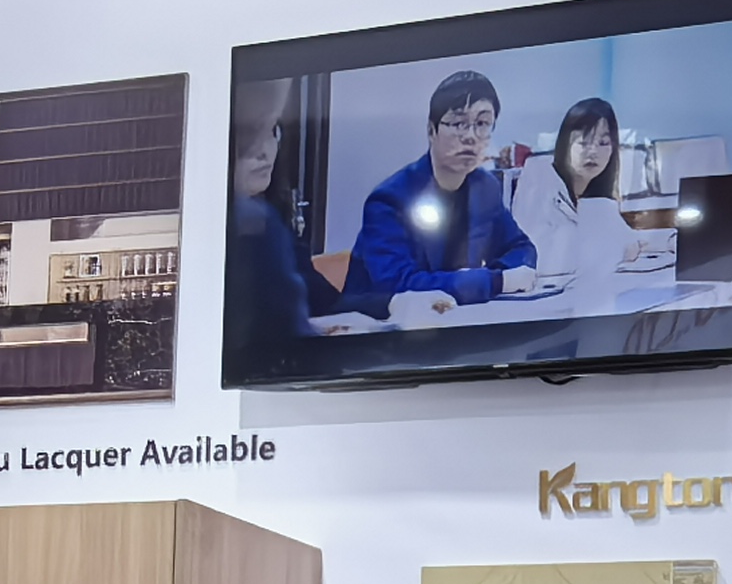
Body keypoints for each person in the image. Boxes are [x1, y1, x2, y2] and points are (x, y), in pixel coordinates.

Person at [341, 65, 537, 312]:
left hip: (454, 319)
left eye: (482, 123)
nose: (471, 136)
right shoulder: (389, 200)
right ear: (431, 131)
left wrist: (497, 275)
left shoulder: (485, 187)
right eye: (458, 123)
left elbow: (522, 249)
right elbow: (399, 285)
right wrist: (495, 281)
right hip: (379, 327)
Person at [224, 79, 320, 370]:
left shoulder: (273, 219)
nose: (265, 151)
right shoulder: (252, 223)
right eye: (255, 131)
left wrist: (397, 303)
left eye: (273, 130)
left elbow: (324, 297)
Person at [517, 94, 637, 290]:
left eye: (603, 143)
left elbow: (629, 241)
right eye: (583, 142)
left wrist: (671, 239)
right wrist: (616, 248)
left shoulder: (598, 199)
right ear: (566, 144)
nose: (593, 152)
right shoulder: (539, 178)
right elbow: (538, 260)